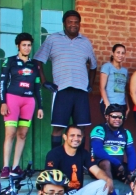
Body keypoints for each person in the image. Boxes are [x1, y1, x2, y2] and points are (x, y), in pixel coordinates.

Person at [33, 10, 97, 148]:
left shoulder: (85, 42)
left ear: (79, 24)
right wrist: (44, 82)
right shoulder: (53, 39)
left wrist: (90, 84)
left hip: (81, 91)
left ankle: (80, 162)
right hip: (61, 90)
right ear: (64, 24)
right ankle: (55, 161)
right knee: (58, 128)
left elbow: (93, 66)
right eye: (70, 22)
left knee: (82, 129)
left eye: (76, 22)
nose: (73, 25)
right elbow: (38, 60)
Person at [45, 125, 114, 195]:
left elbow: (97, 171)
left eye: (79, 136)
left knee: (103, 183)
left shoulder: (83, 153)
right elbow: (49, 181)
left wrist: (108, 179)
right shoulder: (54, 154)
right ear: (65, 137)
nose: (76, 138)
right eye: (72, 135)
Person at [0, 33, 44, 179]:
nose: (27, 48)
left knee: (22, 134)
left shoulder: (34, 65)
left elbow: (37, 86)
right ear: (18, 46)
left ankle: (15, 166)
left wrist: (40, 106)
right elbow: (2, 83)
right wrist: (3, 102)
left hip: (29, 101)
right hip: (12, 98)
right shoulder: (9, 61)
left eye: (29, 45)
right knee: (10, 133)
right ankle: (6, 167)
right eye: (24, 45)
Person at [90, 104, 136, 182]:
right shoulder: (99, 129)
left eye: (120, 117)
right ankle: (112, 193)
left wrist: (130, 172)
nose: (117, 119)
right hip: (98, 167)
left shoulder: (126, 132)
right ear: (106, 116)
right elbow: (97, 150)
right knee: (106, 163)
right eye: (114, 117)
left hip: (118, 167)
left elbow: (131, 153)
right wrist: (116, 163)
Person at [99, 43, 129, 116]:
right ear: (113, 53)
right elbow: (101, 88)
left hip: (122, 104)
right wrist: (107, 105)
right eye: (118, 52)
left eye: (123, 53)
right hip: (109, 103)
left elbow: (124, 90)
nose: (120, 55)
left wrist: (128, 106)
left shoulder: (125, 71)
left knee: (120, 126)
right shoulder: (107, 67)